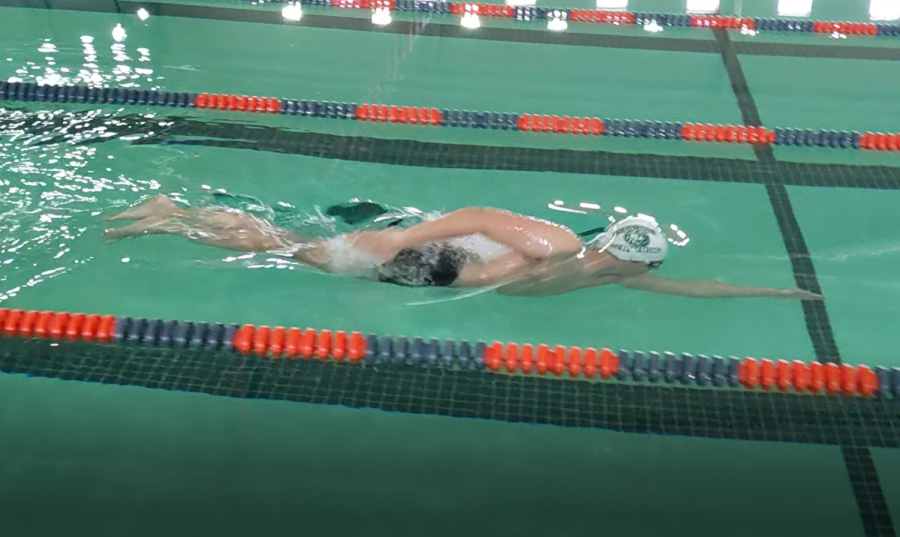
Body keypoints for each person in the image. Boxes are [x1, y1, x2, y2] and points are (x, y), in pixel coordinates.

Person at [102, 195, 822, 300]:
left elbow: (687, 289)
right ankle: (172, 213)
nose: (648, 273)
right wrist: (402, 236)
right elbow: (477, 212)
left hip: (438, 274)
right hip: (430, 259)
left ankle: (179, 217)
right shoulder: (565, 242)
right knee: (283, 246)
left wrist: (775, 293)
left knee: (288, 247)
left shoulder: (601, 273)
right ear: (635, 253)